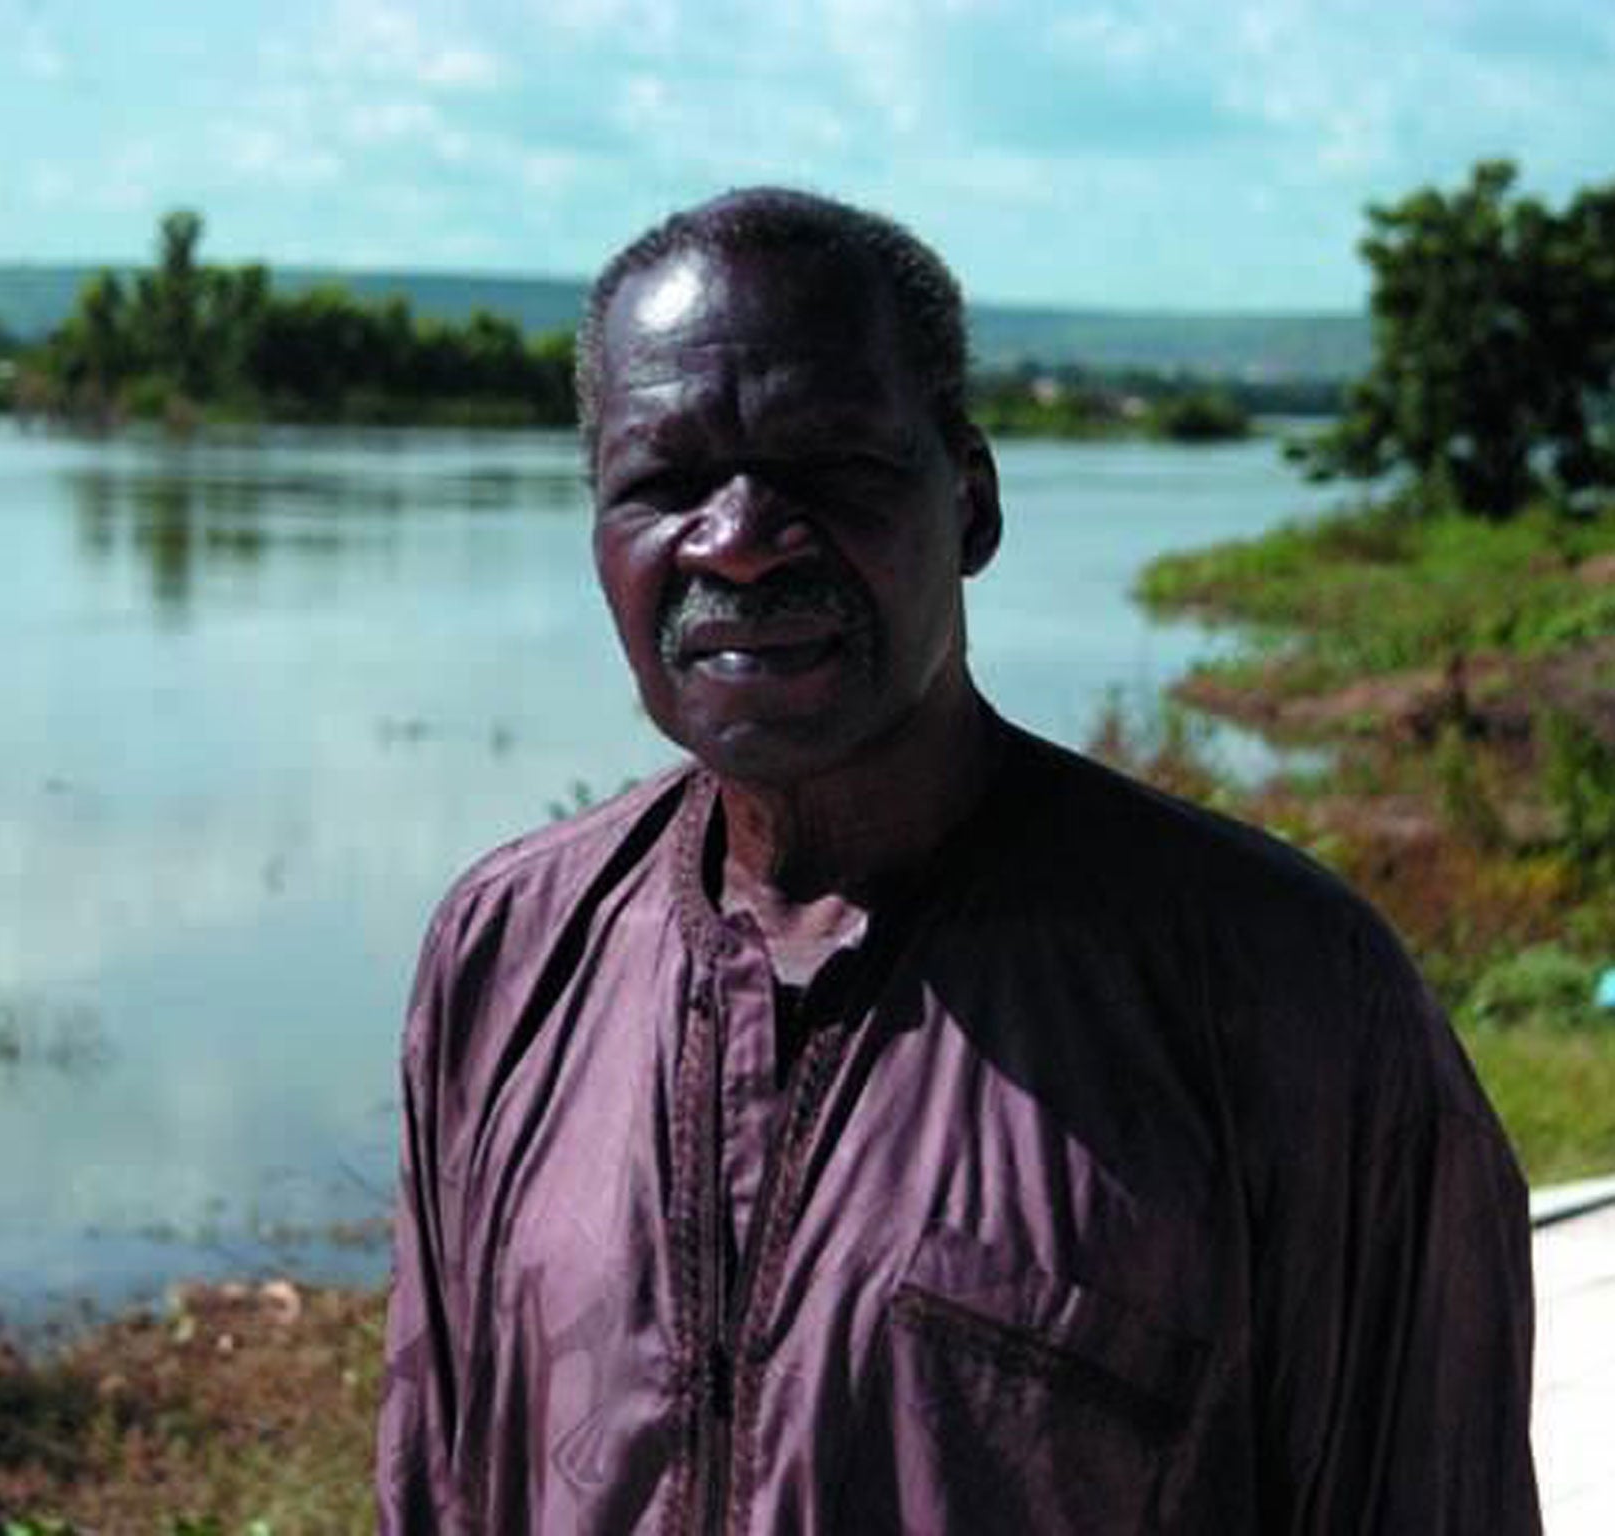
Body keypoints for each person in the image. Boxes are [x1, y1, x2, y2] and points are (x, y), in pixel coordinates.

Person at [375, 187, 1540, 1533]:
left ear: (972, 503)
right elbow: (441, 1480)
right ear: (599, 534)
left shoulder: (1282, 995)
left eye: (832, 469)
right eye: (667, 483)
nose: (741, 537)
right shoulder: (510, 952)